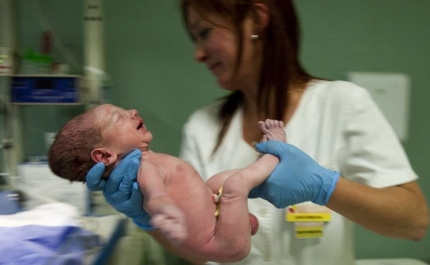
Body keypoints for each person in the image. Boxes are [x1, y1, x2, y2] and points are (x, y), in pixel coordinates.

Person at [85, 0, 429, 264]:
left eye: (204, 32)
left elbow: (413, 222)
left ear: (257, 19)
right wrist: (145, 217)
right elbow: (199, 252)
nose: (198, 54)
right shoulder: (202, 127)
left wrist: (326, 186)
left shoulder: (342, 104)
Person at [48, 103, 292, 263]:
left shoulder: (146, 161)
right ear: (104, 156)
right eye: (118, 117)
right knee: (235, 185)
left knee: (217, 181)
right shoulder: (144, 167)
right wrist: (163, 210)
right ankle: (275, 152)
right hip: (226, 244)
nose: (131, 111)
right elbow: (155, 194)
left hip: (224, 230)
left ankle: (244, 207)